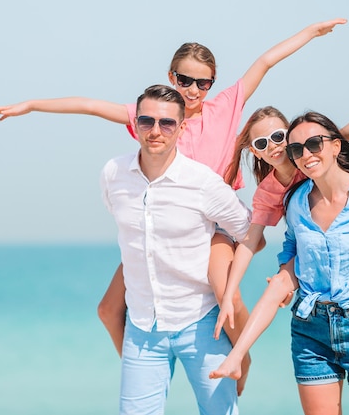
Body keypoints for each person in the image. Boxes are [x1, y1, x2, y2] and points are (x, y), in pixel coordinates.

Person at [0, 18, 347, 394]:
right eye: (184, 80)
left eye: (202, 82)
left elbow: (265, 62)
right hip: (162, 228)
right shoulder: (158, 117)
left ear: (212, 83)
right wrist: (30, 105)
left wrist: (309, 33)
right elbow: (90, 105)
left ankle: (241, 355)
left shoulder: (224, 107)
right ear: (172, 77)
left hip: (215, 224)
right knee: (108, 310)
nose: (192, 90)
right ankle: (146, 370)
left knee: (224, 286)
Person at [214, 69, 349, 386]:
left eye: (279, 137)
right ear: (253, 151)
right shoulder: (270, 191)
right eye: (261, 142)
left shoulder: (313, 151)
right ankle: (237, 357)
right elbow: (248, 241)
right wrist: (229, 294)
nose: (274, 146)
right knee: (278, 285)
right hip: (308, 251)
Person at [101, 84, 250, 414]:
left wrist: (223, 258)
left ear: (182, 128)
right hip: (142, 326)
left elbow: (249, 232)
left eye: (167, 123)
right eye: (146, 121)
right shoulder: (113, 174)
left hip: (201, 322)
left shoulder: (204, 183)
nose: (156, 131)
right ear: (135, 124)